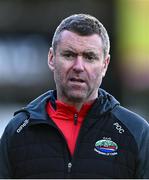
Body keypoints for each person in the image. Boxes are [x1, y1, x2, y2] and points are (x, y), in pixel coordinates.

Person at [0, 14, 149, 179]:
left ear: (105, 65)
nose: (79, 67)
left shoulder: (136, 132)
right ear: (51, 58)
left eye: (89, 57)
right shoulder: (17, 131)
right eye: (69, 55)